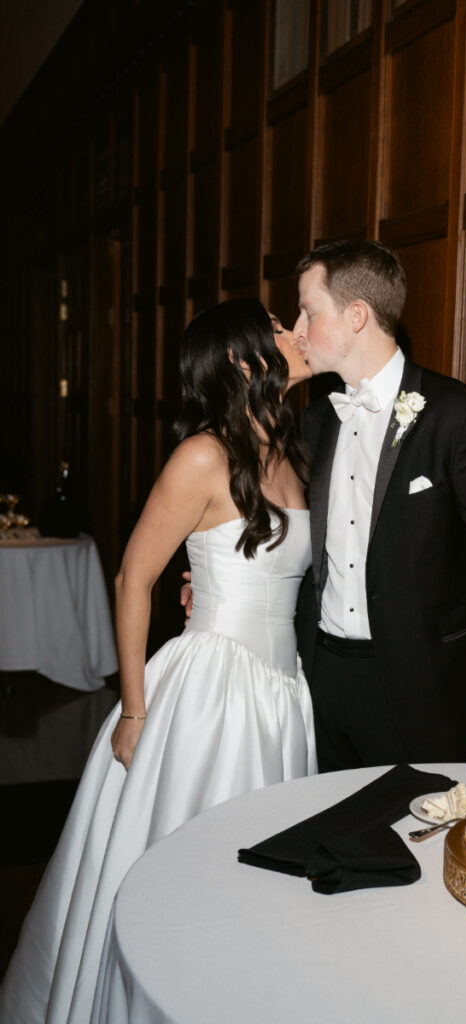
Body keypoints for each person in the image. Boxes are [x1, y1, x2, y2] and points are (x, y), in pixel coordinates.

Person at [0, 299, 316, 1024]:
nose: (292, 333)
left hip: (280, 694)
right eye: (274, 326)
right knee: (192, 873)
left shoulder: (288, 448)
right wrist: (135, 710)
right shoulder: (203, 454)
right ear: (242, 360)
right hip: (212, 696)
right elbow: (131, 577)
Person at [292, 239, 466, 771]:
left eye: (308, 312)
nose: (297, 329)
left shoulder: (459, 417)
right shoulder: (313, 423)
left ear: (356, 316)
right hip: (323, 678)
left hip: (425, 688)